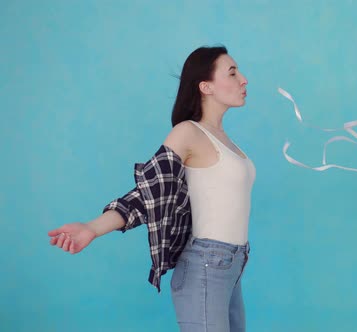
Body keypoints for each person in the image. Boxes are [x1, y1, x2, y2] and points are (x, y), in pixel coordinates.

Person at [48, 45, 255, 332]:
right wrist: (91, 228)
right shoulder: (188, 132)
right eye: (232, 73)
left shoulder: (226, 140)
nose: (243, 79)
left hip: (233, 264)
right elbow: (147, 194)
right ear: (205, 86)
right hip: (206, 266)